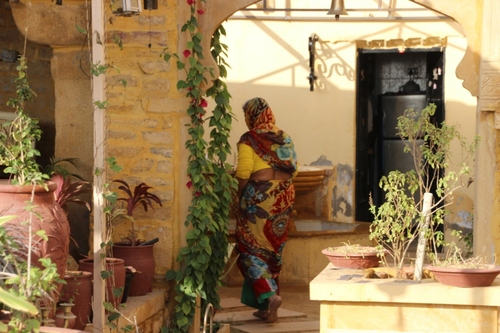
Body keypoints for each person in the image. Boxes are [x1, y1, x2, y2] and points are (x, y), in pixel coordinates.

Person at [234, 97, 298, 323]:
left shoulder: (249, 139)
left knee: (250, 246)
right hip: (283, 195)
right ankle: (267, 305)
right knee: (273, 248)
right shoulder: (284, 137)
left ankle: (268, 297)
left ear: (251, 116)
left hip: (259, 197)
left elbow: (243, 171)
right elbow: (294, 169)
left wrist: (240, 196)